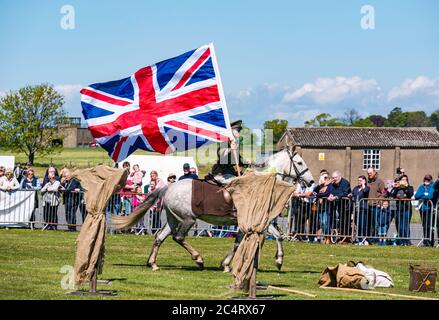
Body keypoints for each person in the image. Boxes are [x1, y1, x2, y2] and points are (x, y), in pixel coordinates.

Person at [389, 175, 414, 245]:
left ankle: (407, 241)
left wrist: (406, 186)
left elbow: (410, 194)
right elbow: (392, 195)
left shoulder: (410, 187)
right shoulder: (397, 188)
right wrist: (397, 187)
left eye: (405, 179)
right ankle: (401, 241)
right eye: (402, 179)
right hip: (398, 209)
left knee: (406, 226)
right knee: (399, 226)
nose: (404, 181)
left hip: (406, 209)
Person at [328, 170, 351, 243]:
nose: (334, 179)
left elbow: (345, 193)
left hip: (345, 206)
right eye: (333, 177)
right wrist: (331, 195)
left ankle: (345, 238)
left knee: (344, 221)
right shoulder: (333, 183)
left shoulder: (345, 183)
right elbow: (331, 190)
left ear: (339, 176)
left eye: (335, 177)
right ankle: (335, 237)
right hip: (336, 205)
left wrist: (336, 197)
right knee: (336, 221)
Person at [313, 172, 335, 244]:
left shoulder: (330, 185)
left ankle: (328, 237)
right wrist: (320, 185)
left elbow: (327, 193)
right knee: (322, 223)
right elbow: (314, 191)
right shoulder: (320, 186)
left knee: (326, 223)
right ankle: (325, 237)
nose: (325, 179)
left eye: (326, 178)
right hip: (320, 207)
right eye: (324, 178)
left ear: (328, 178)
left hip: (326, 206)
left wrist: (318, 195)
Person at [366, 167, 387, 243]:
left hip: (376, 206)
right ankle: (369, 239)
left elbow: (384, 193)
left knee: (376, 224)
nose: (369, 175)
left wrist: (380, 202)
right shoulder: (367, 182)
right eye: (368, 173)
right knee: (369, 224)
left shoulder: (380, 182)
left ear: (374, 172)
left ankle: (375, 240)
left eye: (370, 173)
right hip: (368, 206)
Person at [414, 174, 435, 246]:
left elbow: (430, 196)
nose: (426, 180)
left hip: (430, 209)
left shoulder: (432, 186)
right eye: (425, 179)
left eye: (428, 179)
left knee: (429, 226)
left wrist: (423, 196)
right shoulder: (421, 186)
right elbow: (416, 196)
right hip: (422, 209)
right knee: (424, 225)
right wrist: (424, 195)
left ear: (431, 180)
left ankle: (430, 241)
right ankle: (425, 241)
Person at [350, 175, 370, 244]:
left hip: (363, 209)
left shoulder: (366, 187)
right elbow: (352, 194)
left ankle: (363, 239)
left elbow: (365, 192)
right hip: (356, 209)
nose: (359, 182)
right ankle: (358, 238)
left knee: (362, 224)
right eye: (358, 180)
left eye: (360, 180)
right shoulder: (356, 188)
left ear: (364, 181)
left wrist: (363, 184)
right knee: (357, 224)